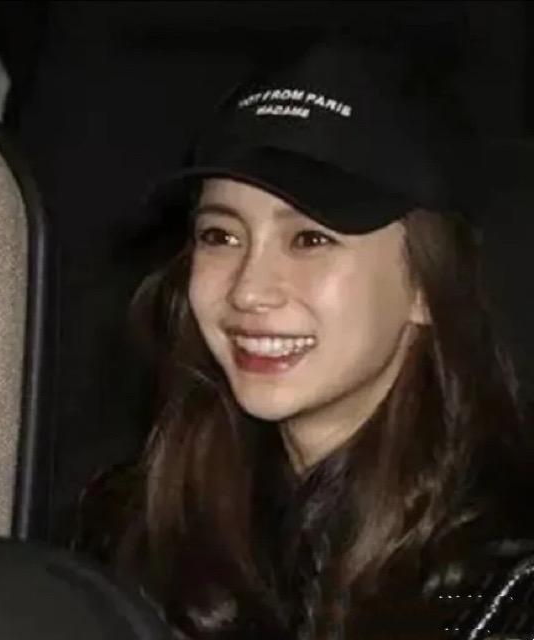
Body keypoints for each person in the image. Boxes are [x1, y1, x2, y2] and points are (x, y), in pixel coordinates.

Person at [78, 40, 534, 638]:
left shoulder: (503, 580)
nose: (249, 290)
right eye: (220, 236)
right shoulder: (134, 529)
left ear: (428, 285)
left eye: (310, 240)